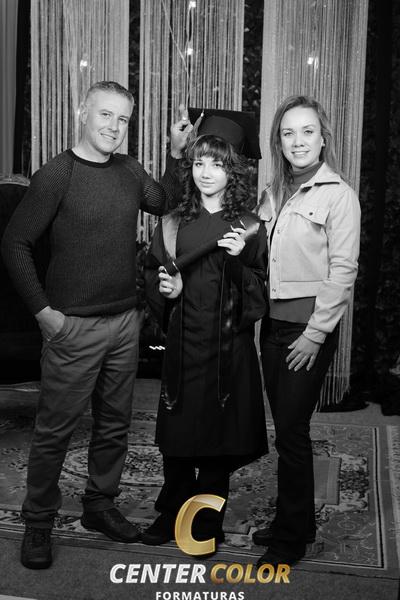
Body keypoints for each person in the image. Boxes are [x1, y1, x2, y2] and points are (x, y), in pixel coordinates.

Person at [1, 81, 186, 570]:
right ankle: (39, 520)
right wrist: (44, 313)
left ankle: (99, 505)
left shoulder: (129, 170)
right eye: (106, 115)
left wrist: (175, 152)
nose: (114, 127)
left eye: (123, 119)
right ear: (83, 112)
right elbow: (15, 244)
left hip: (125, 321)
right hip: (72, 328)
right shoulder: (57, 174)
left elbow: (165, 200)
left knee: (114, 425)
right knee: (54, 431)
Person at [142, 108, 269, 554]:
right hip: (183, 344)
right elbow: (154, 280)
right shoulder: (174, 222)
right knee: (178, 436)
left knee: (218, 441)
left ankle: (205, 524)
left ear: (233, 170)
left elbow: (260, 293)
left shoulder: (250, 226)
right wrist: (168, 291)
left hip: (228, 349)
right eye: (199, 162)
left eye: (217, 163)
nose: (206, 172)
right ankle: (171, 512)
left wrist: (238, 262)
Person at [253, 95, 361, 567]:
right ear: (278, 141)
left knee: (292, 432)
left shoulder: (339, 195)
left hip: (307, 331)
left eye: (307, 131)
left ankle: (290, 540)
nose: (297, 141)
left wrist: (316, 334)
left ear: (323, 138)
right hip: (272, 327)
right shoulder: (273, 192)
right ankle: (292, 522)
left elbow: (343, 271)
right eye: (288, 133)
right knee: (284, 430)